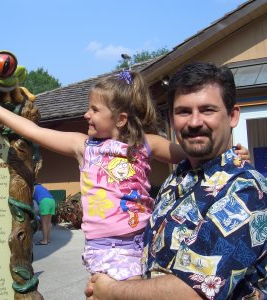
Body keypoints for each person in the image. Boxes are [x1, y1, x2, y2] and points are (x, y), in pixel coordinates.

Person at [0, 69, 249, 282]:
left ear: (120, 119)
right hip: (106, 248)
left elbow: (197, 152)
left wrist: (235, 154)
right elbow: (35, 132)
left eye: (94, 109)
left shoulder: (144, 143)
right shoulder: (83, 146)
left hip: (145, 242)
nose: (86, 114)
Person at [85, 62, 267, 299]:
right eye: (183, 112)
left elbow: (193, 292)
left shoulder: (246, 190)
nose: (194, 122)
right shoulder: (176, 180)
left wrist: (111, 290)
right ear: (171, 119)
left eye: (207, 110)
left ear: (232, 116)